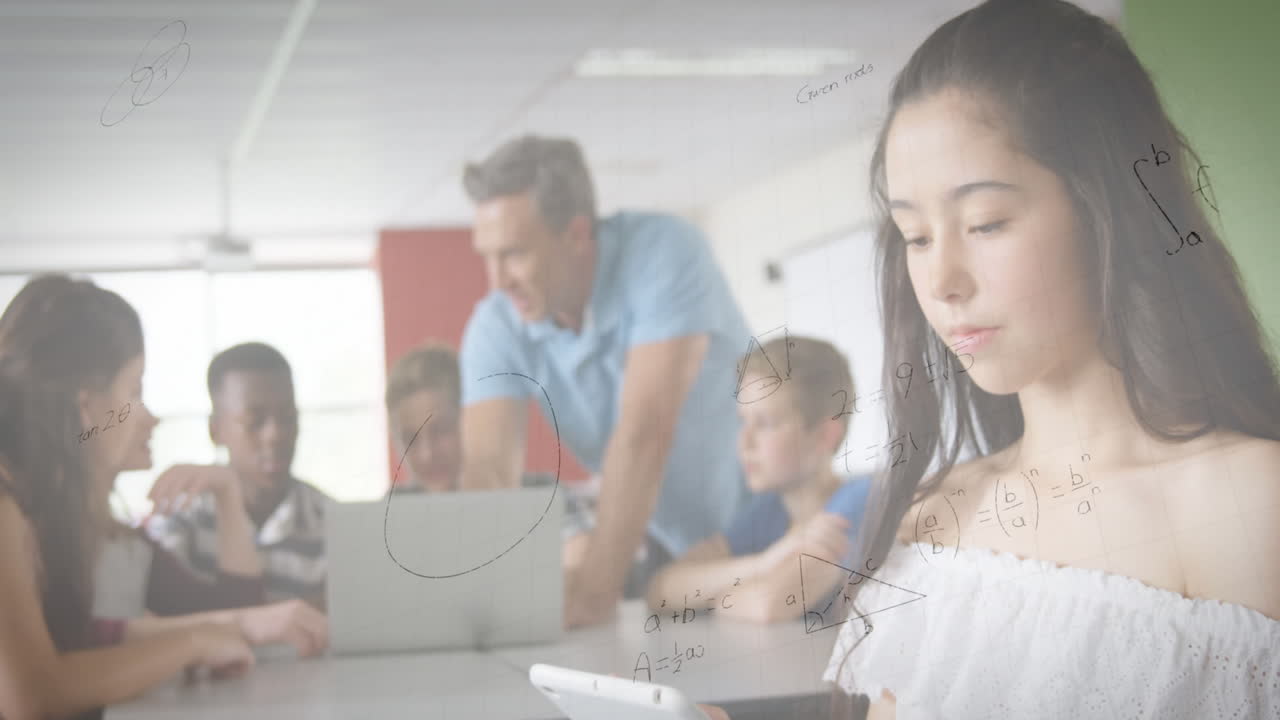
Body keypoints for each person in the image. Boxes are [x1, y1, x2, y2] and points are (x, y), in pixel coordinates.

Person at [711, 1, 1280, 717]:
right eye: (915, 236)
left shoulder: (1251, 505)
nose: (942, 281)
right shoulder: (934, 507)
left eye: (985, 223)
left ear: (1110, 210)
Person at [457, 135, 751, 626]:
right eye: (486, 256)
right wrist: (491, 605)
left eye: (513, 254)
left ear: (576, 234)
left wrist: (593, 593)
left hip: (769, 520)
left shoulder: (665, 251)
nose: (497, 281)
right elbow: (488, 473)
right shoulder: (497, 323)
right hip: (674, 542)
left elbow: (644, 432)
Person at [0, 275, 253, 720]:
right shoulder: (6, 507)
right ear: (86, 407)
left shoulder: (32, 506)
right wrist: (191, 643)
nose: (143, 412)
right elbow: (32, 696)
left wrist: (200, 636)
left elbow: (67, 643)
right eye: (133, 389)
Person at [645, 337, 872, 624]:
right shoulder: (769, 511)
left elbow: (768, 605)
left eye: (764, 423)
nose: (744, 441)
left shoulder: (858, 502)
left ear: (824, 436)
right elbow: (662, 590)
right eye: (743, 421)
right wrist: (767, 562)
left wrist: (711, 594)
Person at [93, 389, 327, 660]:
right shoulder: (43, 537)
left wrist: (227, 491)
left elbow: (236, 617)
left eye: (288, 418)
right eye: (133, 393)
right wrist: (211, 635)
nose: (152, 418)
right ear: (85, 408)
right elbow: (94, 642)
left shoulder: (126, 543)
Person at [145, 342, 330, 609]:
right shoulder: (181, 516)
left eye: (288, 417)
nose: (275, 435)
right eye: (254, 421)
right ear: (215, 430)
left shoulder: (329, 522)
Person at [384, 341, 464, 492]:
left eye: (441, 430)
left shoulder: (519, 498)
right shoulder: (387, 511)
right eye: (410, 439)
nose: (426, 455)